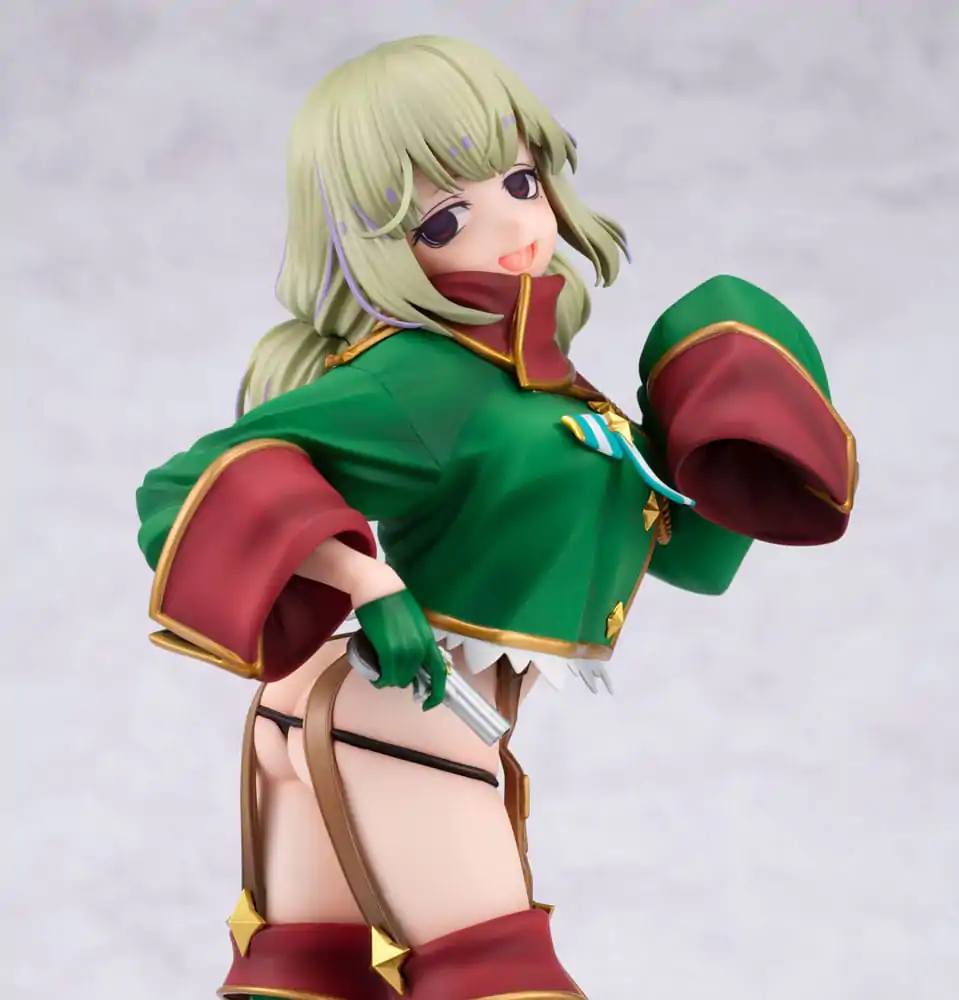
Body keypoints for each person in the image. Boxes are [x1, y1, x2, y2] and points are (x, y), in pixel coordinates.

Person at [135, 34, 858, 1000]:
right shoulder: (427, 375)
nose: (514, 222)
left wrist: (737, 431)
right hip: (409, 710)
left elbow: (680, 556)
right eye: (445, 217)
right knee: (498, 982)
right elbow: (188, 483)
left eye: (519, 181)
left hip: (365, 709)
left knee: (314, 983)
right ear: (383, 244)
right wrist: (366, 579)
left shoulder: (541, 389)